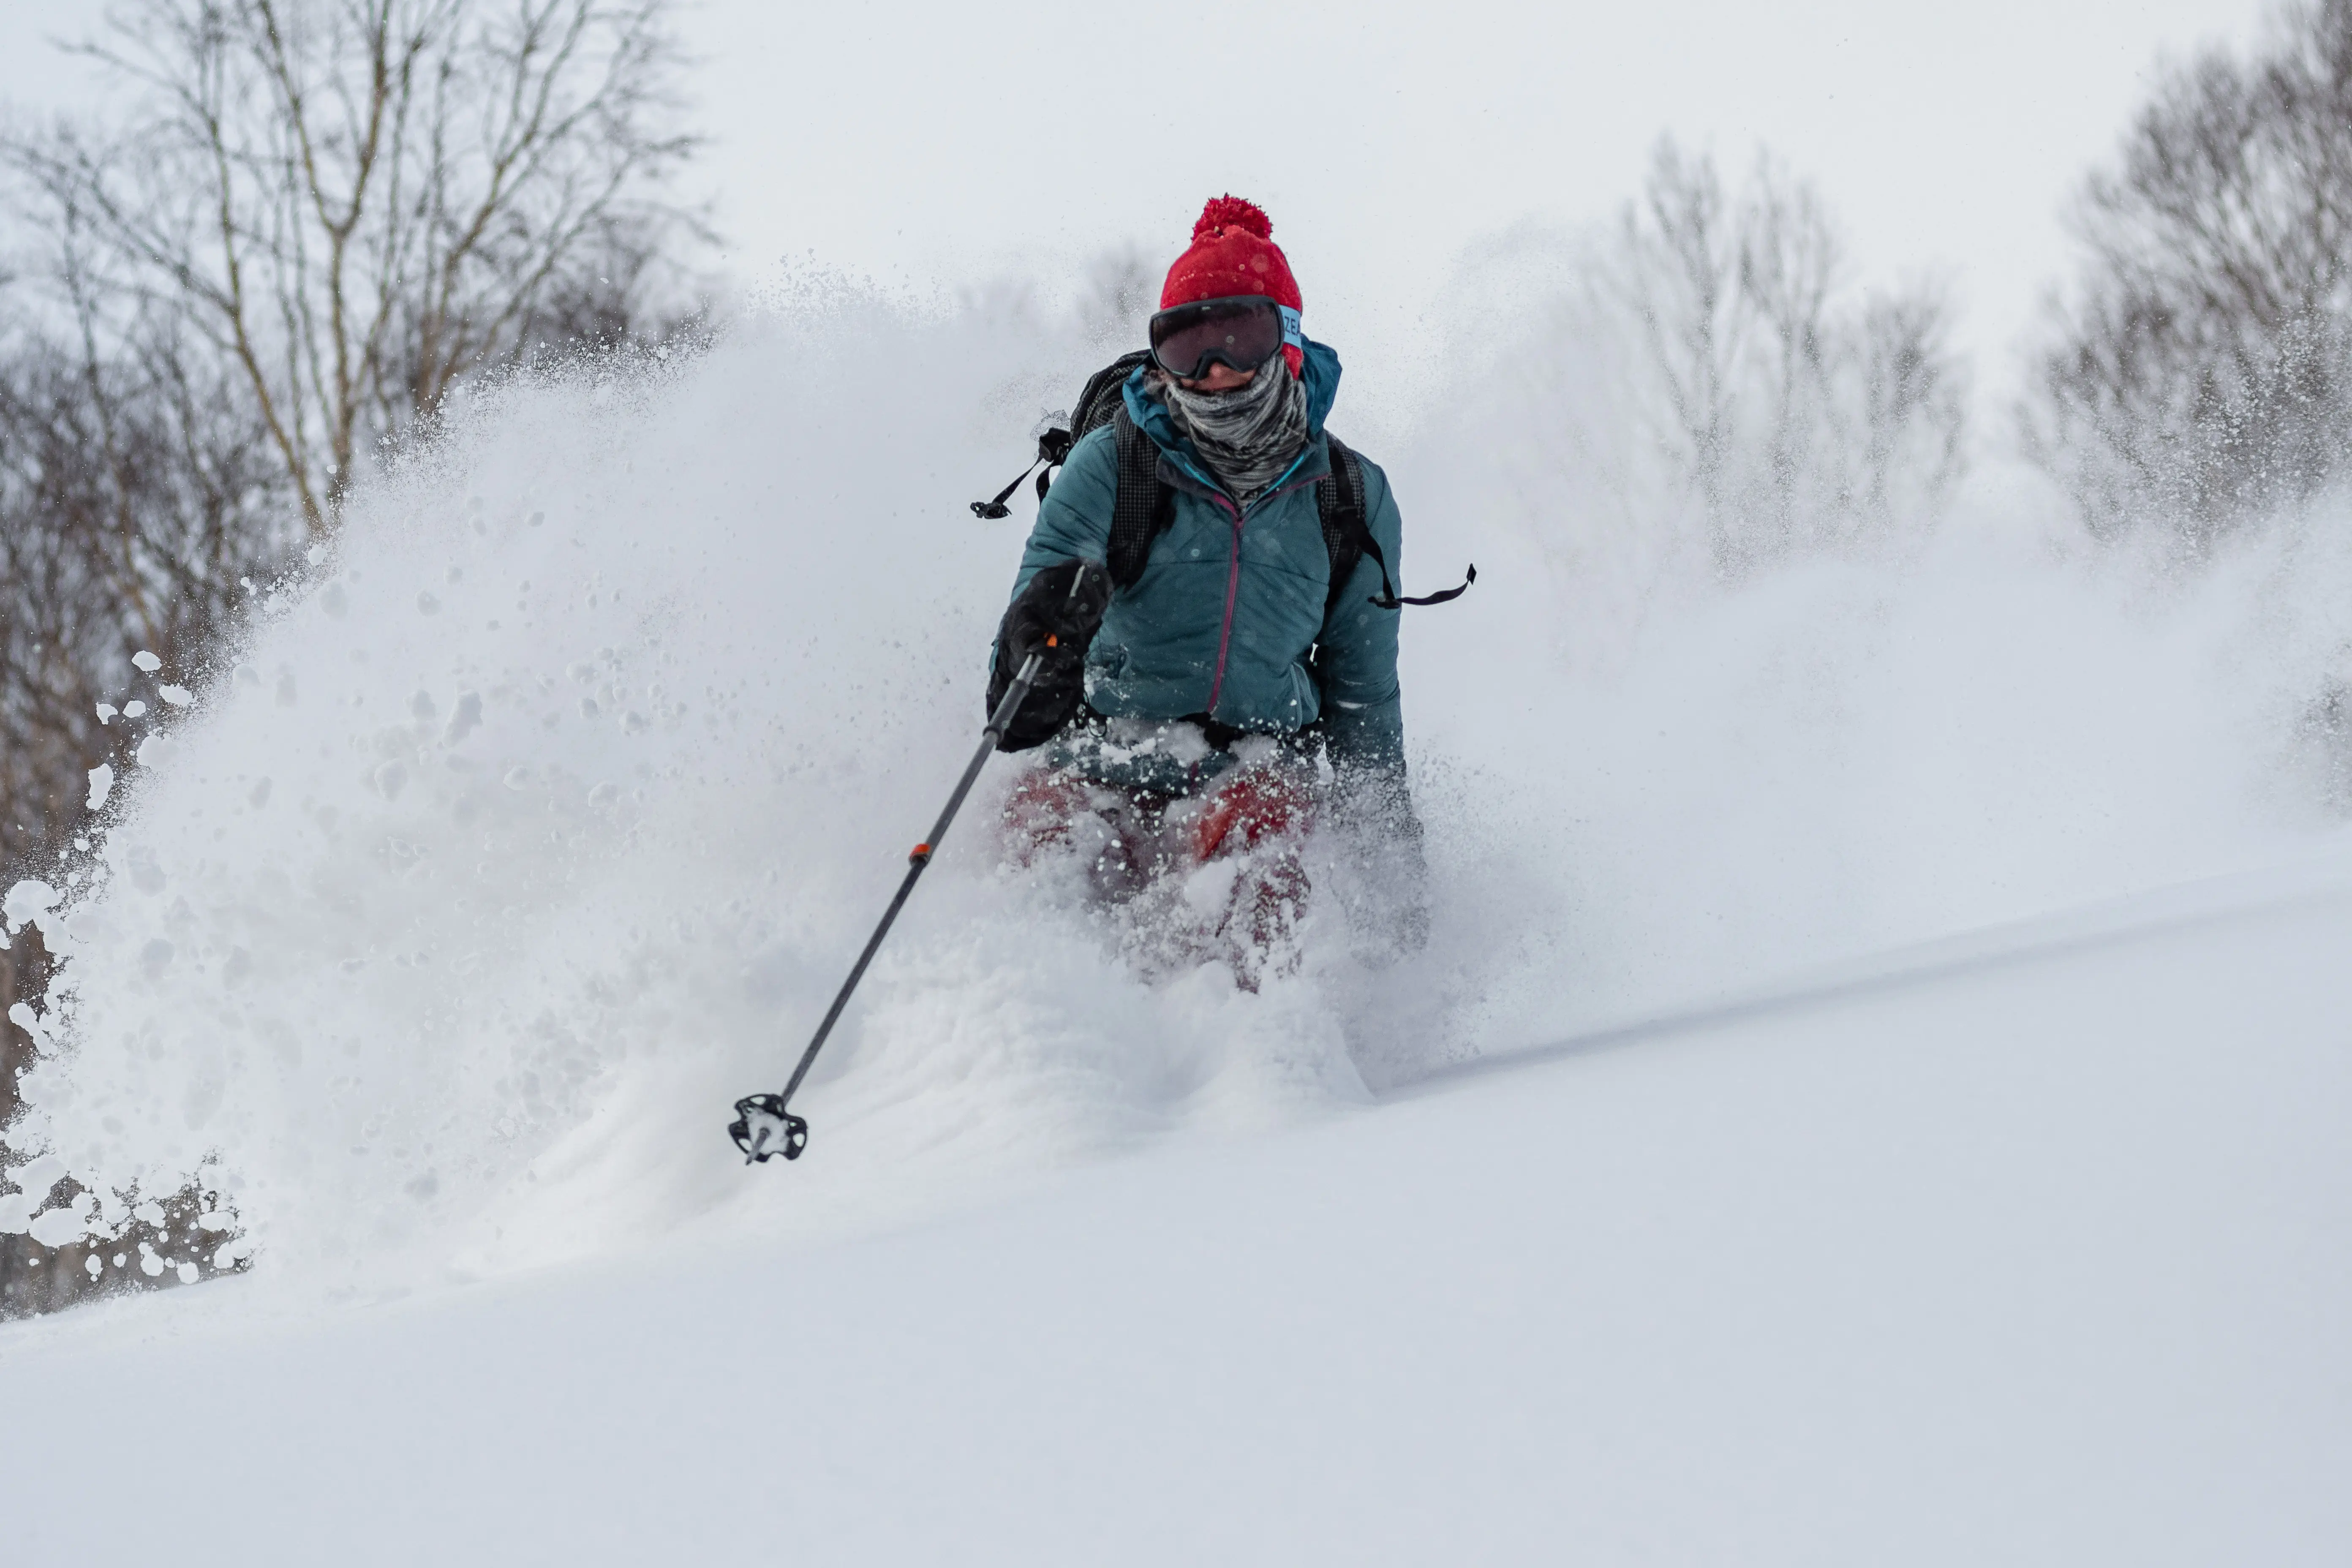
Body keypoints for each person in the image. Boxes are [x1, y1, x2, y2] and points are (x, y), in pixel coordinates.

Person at [989, 196, 1426, 981]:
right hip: (1104, 755)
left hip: (1252, 766)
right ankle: (1034, 1042)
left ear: (1288, 341)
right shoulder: (1112, 463)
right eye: (1185, 344)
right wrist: (1044, 635)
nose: (1213, 369)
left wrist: (1393, 876)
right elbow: (1014, 695)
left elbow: (1365, 703)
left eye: (1239, 337)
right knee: (1040, 830)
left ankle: (1259, 1062)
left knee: (1267, 841)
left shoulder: (1350, 497)